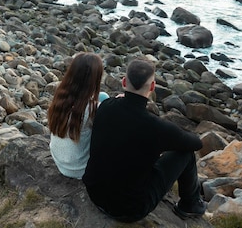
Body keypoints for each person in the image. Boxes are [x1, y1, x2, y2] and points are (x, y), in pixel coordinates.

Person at [82, 58, 206, 221]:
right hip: (129, 209)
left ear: (124, 82)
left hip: (95, 194)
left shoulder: (105, 106)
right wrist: (172, 134)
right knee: (186, 155)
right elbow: (196, 143)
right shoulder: (156, 127)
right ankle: (190, 205)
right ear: (153, 87)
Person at [48, 52, 109, 179]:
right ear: (95, 80)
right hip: (80, 168)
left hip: (59, 161)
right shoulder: (92, 109)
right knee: (106, 102)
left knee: (103, 96)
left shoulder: (61, 96)